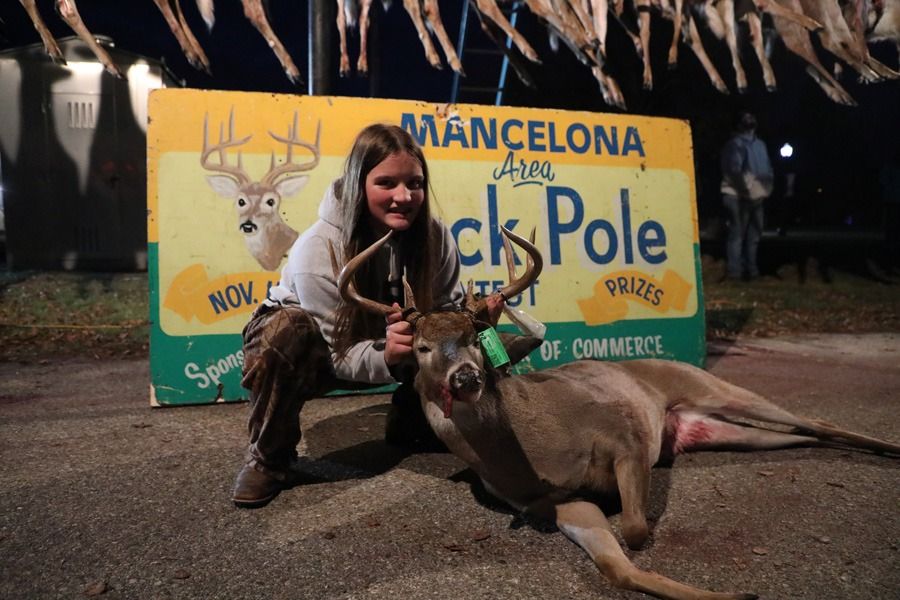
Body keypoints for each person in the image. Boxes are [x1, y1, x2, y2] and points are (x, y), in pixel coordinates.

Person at [231, 123, 504, 508]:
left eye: (415, 183)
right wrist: (387, 357)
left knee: (477, 342)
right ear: (359, 184)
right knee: (284, 331)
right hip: (320, 352)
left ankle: (414, 419)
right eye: (386, 183)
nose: (404, 196)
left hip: (395, 344)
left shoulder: (435, 237)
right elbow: (338, 351)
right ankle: (268, 459)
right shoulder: (317, 248)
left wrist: (476, 326)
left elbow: (444, 311)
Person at [720, 110, 774, 281]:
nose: (750, 119)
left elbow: (766, 168)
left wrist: (766, 189)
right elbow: (732, 171)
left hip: (757, 197)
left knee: (754, 236)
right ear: (739, 124)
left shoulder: (760, 145)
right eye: (746, 118)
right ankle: (735, 272)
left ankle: (752, 271)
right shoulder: (734, 145)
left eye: (752, 117)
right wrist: (745, 189)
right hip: (737, 196)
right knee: (737, 235)